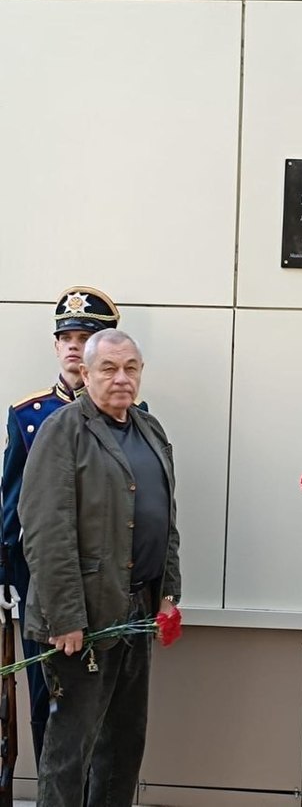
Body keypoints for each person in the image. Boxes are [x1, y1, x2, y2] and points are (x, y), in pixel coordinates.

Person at [18, 328, 181, 807]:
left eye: (130, 367)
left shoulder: (151, 431)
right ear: (85, 374)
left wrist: (168, 594)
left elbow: (165, 519)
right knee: (71, 747)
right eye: (108, 368)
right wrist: (65, 616)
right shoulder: (63, 431)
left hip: (138, 609)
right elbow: (47, 530)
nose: (121, 378)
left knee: (125, 741)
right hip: (83, 619)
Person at [0, 285, 121, 766]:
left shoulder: (131, 417)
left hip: (108, 580)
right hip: (43, 579)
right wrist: (6, 573)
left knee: (105, 702)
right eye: (65, 336)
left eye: (84, 336)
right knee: (45, 695)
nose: (72, 345)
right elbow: (10, 503)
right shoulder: (28, 416)